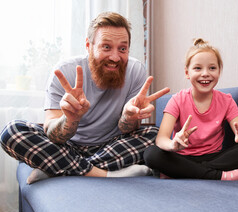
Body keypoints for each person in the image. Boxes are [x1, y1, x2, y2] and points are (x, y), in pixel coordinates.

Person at [0, 12, 169, 184]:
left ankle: (57, 168)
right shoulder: (65, 71)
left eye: (122, 49)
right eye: (106, 47)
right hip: (66, 146)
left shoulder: (136, 70)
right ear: (89, 46)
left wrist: (129, 117)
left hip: (111, 146)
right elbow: (53, 134)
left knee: (156, 135)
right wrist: (70, 119)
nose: (115, 57)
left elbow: (128, 130)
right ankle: (104, 174)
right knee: (11, 132)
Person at [144, 38, 238, 181]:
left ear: (219, 71)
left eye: (212, 68)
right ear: (187, 72)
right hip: (181, 156)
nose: (205, 73)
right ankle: (221, 176)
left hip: (215, 158)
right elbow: (161, 139)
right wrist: (172, 145)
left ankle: (181, 172)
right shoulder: (177, 100)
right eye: (198, 68)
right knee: (151, 154)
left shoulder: (226, 101)